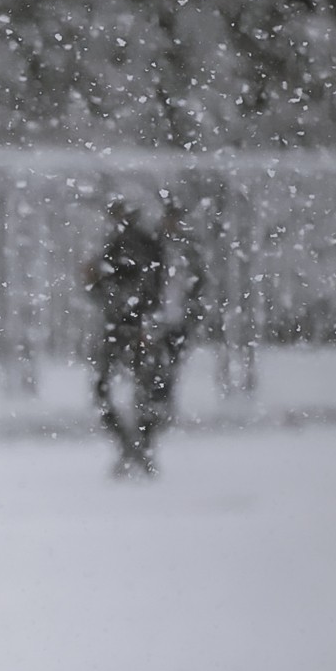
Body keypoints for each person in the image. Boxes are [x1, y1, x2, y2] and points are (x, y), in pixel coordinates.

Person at [85, 199, 197, 477]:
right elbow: (112, 289)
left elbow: (151, 290)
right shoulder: (129, 247)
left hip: (146, 330)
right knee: (134, 391)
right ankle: (135, 449)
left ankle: (138, 449)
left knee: (151, 391)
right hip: (134, 329)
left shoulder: (153, 248)